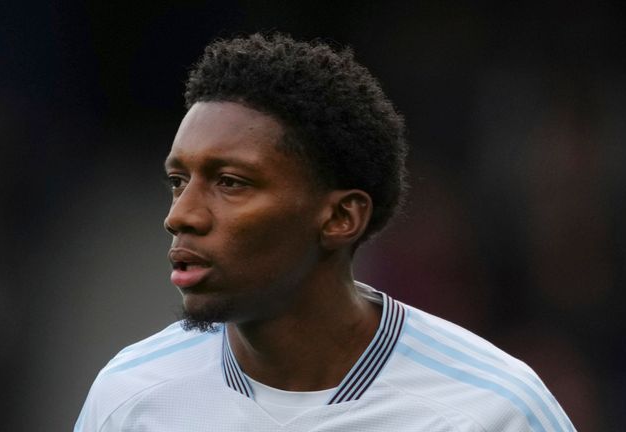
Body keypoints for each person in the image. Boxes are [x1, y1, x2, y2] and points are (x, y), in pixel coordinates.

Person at [74, 33, 575, 432]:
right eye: (179, 182)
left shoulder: (491, 411)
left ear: (340, 219)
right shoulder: (130, 397)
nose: (181, 214)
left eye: (230, 183)